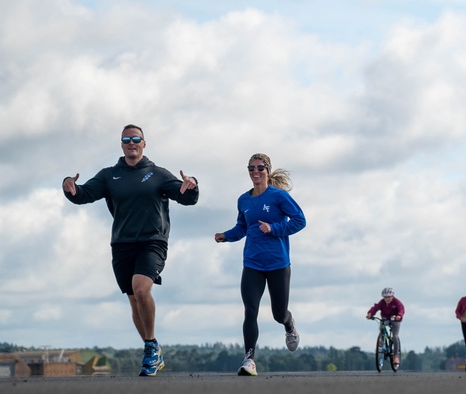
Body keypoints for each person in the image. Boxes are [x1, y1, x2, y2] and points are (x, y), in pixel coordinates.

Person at [63, 124, 199, 377]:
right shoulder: (109, 175)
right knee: (134, 299)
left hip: (152, 241)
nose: (131, 142)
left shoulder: (157, 174)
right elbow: (82, 195)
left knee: (141, 288)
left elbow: (187, 198)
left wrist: (192, 185)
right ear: (122, 144)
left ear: (144, 143)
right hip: (122, 243)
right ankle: (153, 346)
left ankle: (149, 347)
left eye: (136, 138)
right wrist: (68, 185)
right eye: (127, 139)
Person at [215, 153, 306, 377]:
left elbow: (300, 220)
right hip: (252, 264)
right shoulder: (243, 200)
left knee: (277, 313)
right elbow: (242, 228)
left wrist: (274, 228)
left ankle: (289, 323)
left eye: (260, 167)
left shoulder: (279, 196)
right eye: (251, 168)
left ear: (267, 170)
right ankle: (249, 359)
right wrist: (225, 236)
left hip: (278, 263)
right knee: (250, 311)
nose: (255, 171)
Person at [367, 288, 405, 366]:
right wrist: (370, 313)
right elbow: (375, 307)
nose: (387, 299)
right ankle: (382, 338)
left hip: (395, 320)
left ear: (392, 296)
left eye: (389, 297)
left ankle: (395, 356)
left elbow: (401, 309)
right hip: (386, 318)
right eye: (385, 297)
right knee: (382, 324)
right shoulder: (382, 302)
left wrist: (399, 316)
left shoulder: (397, 302)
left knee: (395, 337)